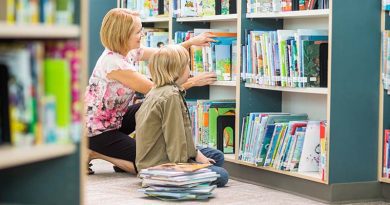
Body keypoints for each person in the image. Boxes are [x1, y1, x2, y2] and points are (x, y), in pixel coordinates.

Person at [86, 8, 217, 174]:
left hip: (115, 120)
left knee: (146, 107)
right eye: (138, 31)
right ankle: (94, 152)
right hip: (97, 131)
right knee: (147, 164)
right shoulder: (114, 64)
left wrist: (191, 42)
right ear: (122, 35)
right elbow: (159, 94)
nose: (142, 35)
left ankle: (126, 152)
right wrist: (193, 82)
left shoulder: (129, 51)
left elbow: (164, 54)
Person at [135, 45, 229, 187]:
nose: (189, 69)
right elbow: (175, 139)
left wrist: (196, 154)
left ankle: (194, 164)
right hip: (160, 166)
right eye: (187, 65)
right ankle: (167, 180)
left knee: (217, 156)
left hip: (154, 156)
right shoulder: (171, 96)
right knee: (222, 176)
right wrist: (189, 165)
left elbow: (179, 134)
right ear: (177, 70)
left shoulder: (157, 91)